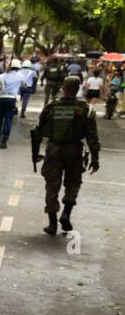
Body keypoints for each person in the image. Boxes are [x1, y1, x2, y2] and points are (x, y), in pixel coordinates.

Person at [32, 75, 100, 235]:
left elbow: (37, 131)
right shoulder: (86, 109)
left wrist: (36, 153)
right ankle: (66, 213)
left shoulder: (51, 107)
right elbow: (92, 136)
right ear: (77, 89)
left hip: (54, 150)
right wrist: (95, 159)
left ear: (63, 87)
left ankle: (52, 223)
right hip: (75, 151)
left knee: (52, 185)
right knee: (73, 183)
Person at [0, 60, 23, 147]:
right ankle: (4, 141)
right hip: (12, 100)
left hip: (1, 99)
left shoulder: (2, 76)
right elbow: (25, 85)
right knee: (8, 120)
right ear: (18, 67)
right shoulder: (20, 76)